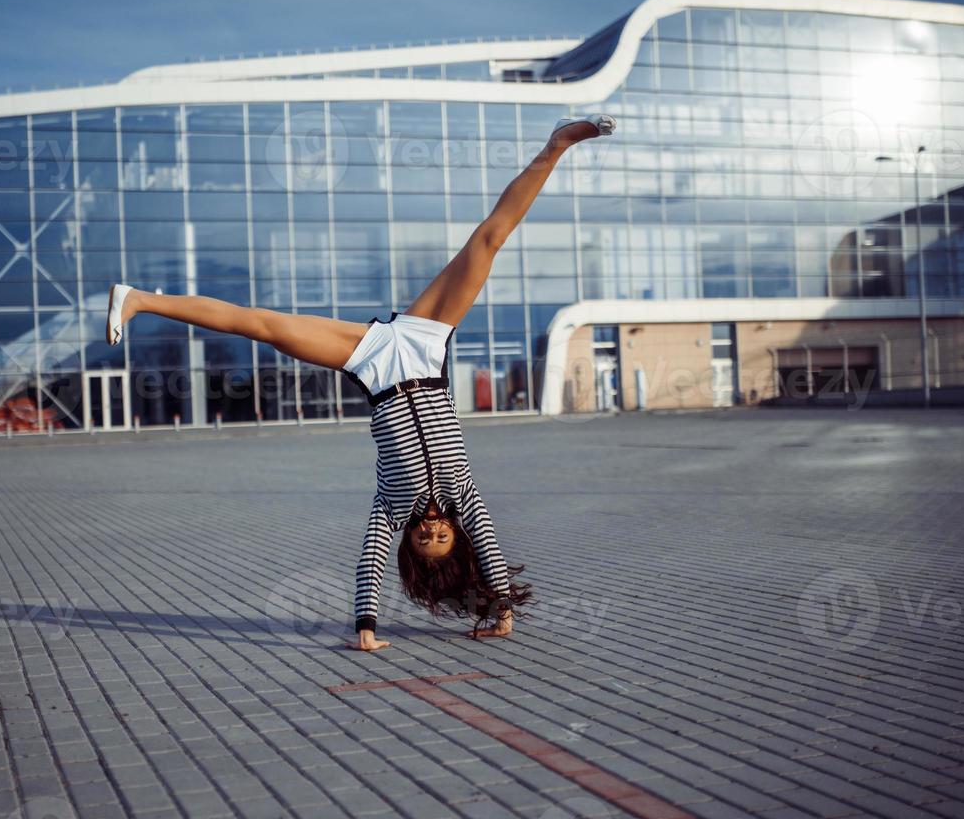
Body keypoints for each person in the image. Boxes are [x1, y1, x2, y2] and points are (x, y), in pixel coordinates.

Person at [106, 114, 616, 651]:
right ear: (456, 537)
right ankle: (557, 143)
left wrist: (365, 629)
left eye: (426, 542)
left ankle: (140, 298)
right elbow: (488, 546)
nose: (432, 532)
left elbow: (370, 559)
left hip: (375, 365)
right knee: (489, 239)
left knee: (263, 326)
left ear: (411, 548)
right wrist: (501, 609)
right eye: (443, 538)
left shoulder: (391, 509)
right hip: (423, 348)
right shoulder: (465, 500)